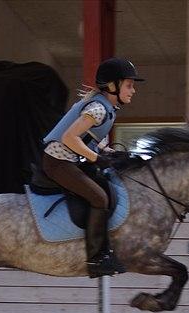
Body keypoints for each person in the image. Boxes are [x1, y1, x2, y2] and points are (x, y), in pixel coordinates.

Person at [41, 58, 144, 278]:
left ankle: (105, 250)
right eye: (129, 85)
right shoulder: (98, 108)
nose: (133, 90)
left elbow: (91, 140)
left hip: (71, 160)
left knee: (108, 188)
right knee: (99, 198)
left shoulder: (107, 108)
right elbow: (70, 137)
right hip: (58, 163)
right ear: (112, 86)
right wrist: (96, 158)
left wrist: (110, 154)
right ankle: (96, 258)